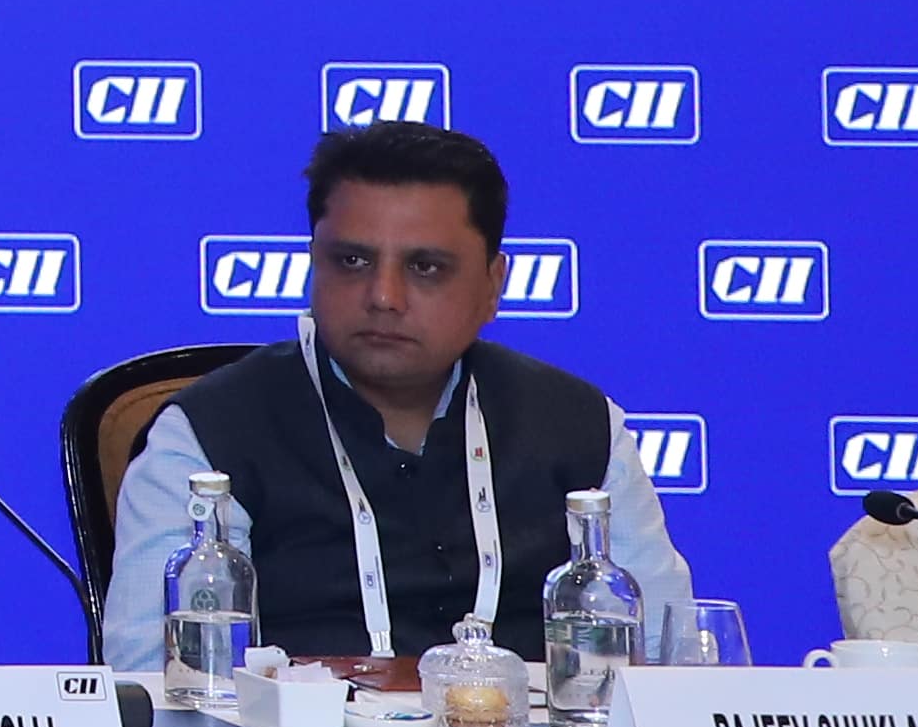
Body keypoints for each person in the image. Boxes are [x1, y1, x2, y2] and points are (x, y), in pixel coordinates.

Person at [104, 118, 694, 678]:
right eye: (352, 261)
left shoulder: (579, 427)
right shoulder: (208, 437)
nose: (383, 296)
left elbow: (671, 664)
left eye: (426, 267)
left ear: (493, 285)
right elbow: (156, 680)